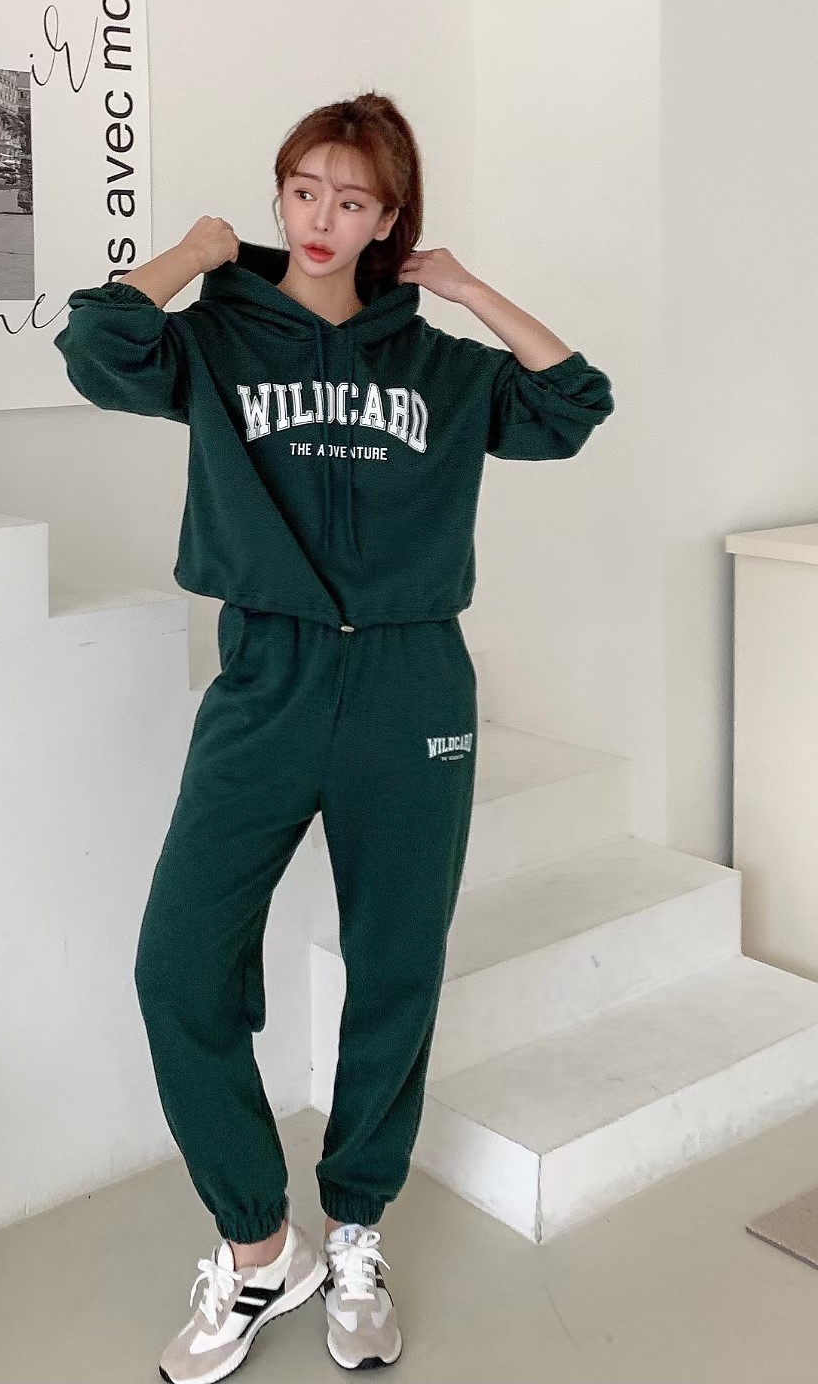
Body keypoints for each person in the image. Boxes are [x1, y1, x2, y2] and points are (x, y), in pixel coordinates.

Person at [53, 92, 615, 1382]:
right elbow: (94, 344)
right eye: (303, 188)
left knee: (394, 966)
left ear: (387, 219)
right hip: (267, 677)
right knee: (179, 965)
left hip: (413, 689)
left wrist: (465, 288)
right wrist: (194, 254)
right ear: (281, 192)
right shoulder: (215, 341)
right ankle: (260, 1247)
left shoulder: (441, 368)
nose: (319, 217)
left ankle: (356, 1228)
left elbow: (575, 401)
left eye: (351, 199)